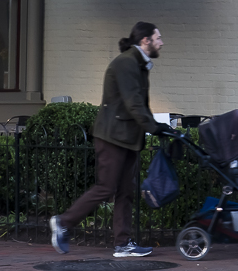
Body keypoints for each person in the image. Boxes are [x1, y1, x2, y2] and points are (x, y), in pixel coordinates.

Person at [50, 21, 174, 257]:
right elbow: (133, 103)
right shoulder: (127, 63)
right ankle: (63, 222)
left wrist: (157, 126)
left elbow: (139, 103)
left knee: (126, 191)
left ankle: (122, 244)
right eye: (158, 38)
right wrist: (155, 128)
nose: (161, 42)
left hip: (127, 137)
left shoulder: (138, 64)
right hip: (112, 136)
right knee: (106, 188)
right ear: (145, 40)